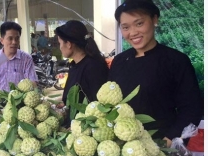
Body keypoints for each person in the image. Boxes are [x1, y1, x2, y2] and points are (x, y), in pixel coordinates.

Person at [109, 0, 203, 147]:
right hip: (123, 147)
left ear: (154, 20)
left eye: (139, 23)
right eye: (125, 27)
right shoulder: (120, 61)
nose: (132, 32)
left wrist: (170, 140)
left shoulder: (175, 60)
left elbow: (192, 108)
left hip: (160, 147)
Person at [55, 20, 109, 127]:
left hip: (88, 128)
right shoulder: (74, 65)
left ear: (69, 44)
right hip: (75, 127)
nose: (59, 47)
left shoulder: (94, 67)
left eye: (60, 43)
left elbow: (99, 103)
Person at [0, 21, 38, 92]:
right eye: (10, 38)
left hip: (19, 101)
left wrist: (26, 88)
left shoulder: (26, 59)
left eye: (17, 38)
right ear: (2, 40)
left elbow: (33, 82)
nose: (14, 42)